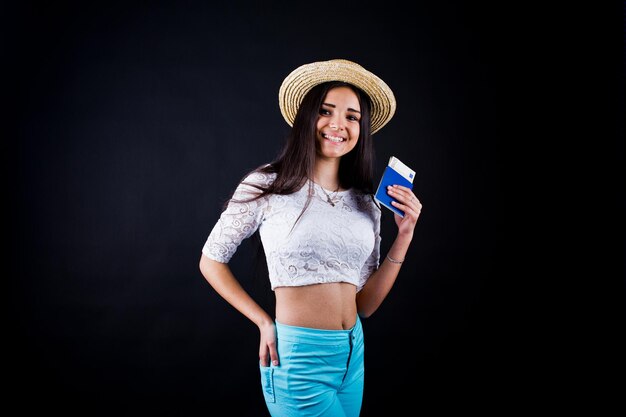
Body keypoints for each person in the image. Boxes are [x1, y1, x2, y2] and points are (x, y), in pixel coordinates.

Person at [199, 58, 422, 417]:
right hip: (299, 358)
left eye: (352, 117)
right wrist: (262, 321)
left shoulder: (366, 202)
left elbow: (365, 304)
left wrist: (405, 236)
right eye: (326, 111)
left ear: (361, 129)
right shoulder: (266, 185)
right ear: (307, 117)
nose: (339, 125)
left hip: (353, 356)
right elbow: (211, 260)